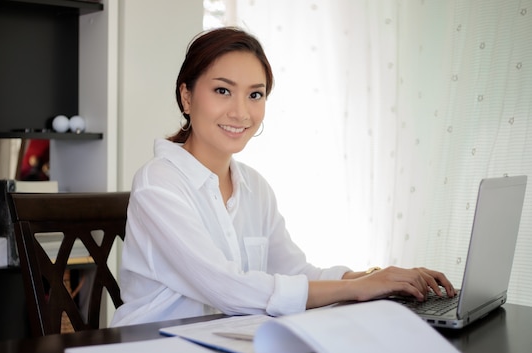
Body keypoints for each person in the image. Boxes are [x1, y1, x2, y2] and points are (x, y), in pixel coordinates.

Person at [110, 27, 455, 327]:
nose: (241, 112)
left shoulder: (255, 187)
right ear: (187, 96)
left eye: (255, 95)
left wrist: (375, 278)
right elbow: (228, 288)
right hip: (154, 351)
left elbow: (296, 274)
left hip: (227, 348)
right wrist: (355, 289)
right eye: (222, 90)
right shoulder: (159, 183)